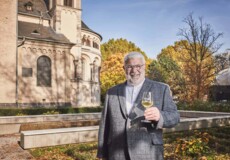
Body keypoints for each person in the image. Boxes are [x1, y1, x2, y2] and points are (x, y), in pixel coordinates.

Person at [97, 52, 180, 160]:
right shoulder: (111, 92)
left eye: (138, 66)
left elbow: (175, 117)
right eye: (130, 66)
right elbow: (105, 124)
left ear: (144, 67)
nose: (134, 70)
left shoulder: (161, 89)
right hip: (117, 153)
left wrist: (160, 116)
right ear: (124, 68)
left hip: (148, 152)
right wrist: (102, 153)